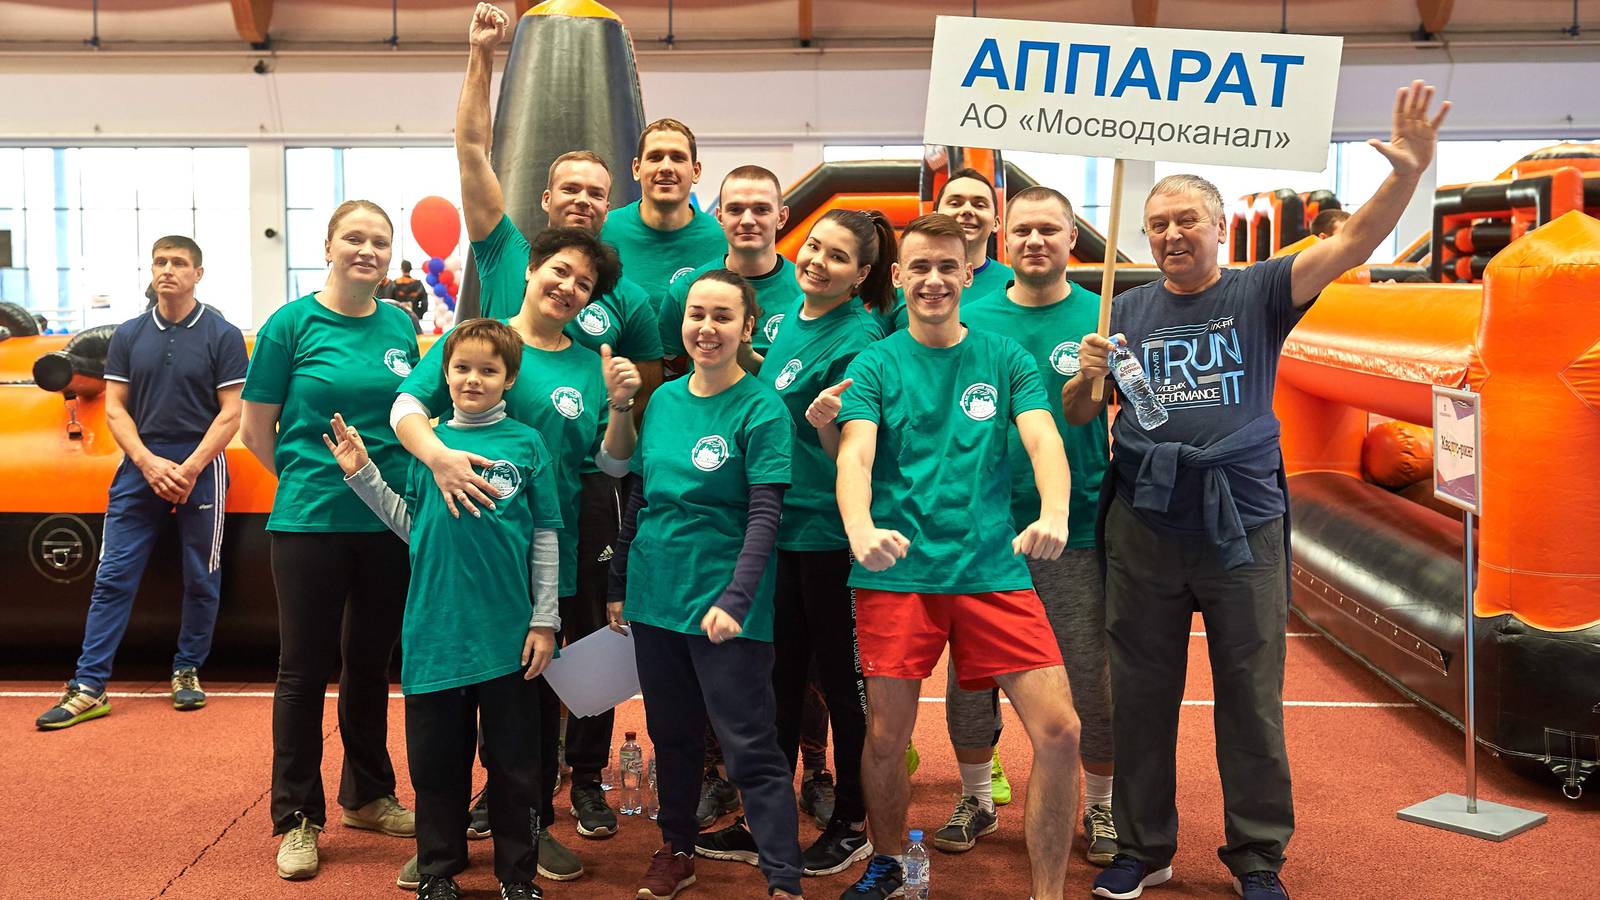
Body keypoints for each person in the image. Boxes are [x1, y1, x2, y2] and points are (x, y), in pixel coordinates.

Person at [1071, 81, 1449, 900]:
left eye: (1187, 220)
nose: (1172, 234)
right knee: (1139, 694)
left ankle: (1256, 856)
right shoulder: (1121, 309)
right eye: (1158, 224)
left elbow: (1353, 242)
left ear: (1218, 227)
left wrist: (1408, 174)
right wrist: (1086, 375)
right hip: (1144, 521)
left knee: (1250, 695)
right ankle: (1142, 845)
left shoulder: (1262, 292)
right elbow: (1081, 413)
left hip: (1242, 522)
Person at [452, 1, 662, 861]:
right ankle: (508, 788)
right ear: (544, 198)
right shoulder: (508, 255)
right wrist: (481, 55)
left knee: (593, 646)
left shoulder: (626, 300)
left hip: (590, 498)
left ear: (613, 204)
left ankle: (585, 777)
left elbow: (636, 416)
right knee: (514, 646)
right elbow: (471, 149)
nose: (581, 199)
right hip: (504, 500)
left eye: (595, 191)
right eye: (569, 188)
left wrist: (624, 413)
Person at [822, 213, 1082, 900]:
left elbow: (1044, 439)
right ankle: (888, 864)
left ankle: (1049, 893)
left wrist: (1054, 512)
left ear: (969, 274)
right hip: (897, 574)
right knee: (886, 737)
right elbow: (854, 454)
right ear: (898, 276)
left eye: (947, 266)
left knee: (1060, 730)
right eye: (920, 267)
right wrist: (859, 527)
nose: (933, 279)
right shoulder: (875, 362)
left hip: (991, 569)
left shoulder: (1005, 357)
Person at [390, 226, 637, 887]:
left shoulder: (588, 363)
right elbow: (406, 407)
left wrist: (620, 405)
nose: (568, 287)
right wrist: (439, 457)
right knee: (451, 711)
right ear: (531, 269)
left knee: (530, 706)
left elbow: (613, 462)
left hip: (549, 546)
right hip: (464, 551)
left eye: (584, 283)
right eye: (560, 270)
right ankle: (444, 843)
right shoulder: (479, 340)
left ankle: (531, 832)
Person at [324, 318, 564, 900]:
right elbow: (416, 529)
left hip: (508, 636)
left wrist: (545, 619)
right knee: (436, 765)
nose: (473, 379)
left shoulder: (527, 445)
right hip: (435, 633)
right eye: (461, 368)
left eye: (488, 370)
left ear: (509, 378)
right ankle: (438, 870)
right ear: (445, 375)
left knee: (515, 766)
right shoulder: (426, 449)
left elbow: (545, 537)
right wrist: (363, 476)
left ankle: (517, 875)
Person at [693, 209, 893, 879]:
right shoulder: (788, 321)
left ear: (861, 275)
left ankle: (853, 824)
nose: (816, 261)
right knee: (778, 683)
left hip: (831, 536)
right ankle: (765, 818)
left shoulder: (860, 337)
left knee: (842, 688)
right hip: (783, 531)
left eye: (837, 257)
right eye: (813, 247)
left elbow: (858, 447)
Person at [607, 270, 803, 900]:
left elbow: (765, 515)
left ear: (748, 327)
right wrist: (618, 582)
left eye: (723, 316)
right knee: (672, 736)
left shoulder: (762, 408)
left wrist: (737, 598)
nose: (707, 328)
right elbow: (639, 497)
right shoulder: (664, 400)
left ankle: (783, 876)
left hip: (726, 604)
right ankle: (677, 849)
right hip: (654, 595)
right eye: (697, 314)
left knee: (749, 746)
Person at [241, 199, 420, 881]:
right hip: (309, 524)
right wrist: (306, 479)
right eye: (354, 238)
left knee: (370, 666)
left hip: (387, 523)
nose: (367, 250)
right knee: (303, 671)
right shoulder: (290, 324)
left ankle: (368, 797)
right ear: (328, 246)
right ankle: (297, 816)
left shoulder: (400, 323)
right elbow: (255, 430)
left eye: (379, 241)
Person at [956, 186, 1118, 866]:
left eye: (1049, 229)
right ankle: (975, 797)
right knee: (972, 674)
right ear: (1004, 237)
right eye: (1023, 229)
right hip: (982, 529)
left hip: (1075, 527)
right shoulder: (969, 317)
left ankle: (1102, 805)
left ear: (1072, 238)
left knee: (1089, 674)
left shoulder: (1101, 316)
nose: (1035, 241)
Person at [34, 236, 246, 730]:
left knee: (202, 575)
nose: (167, 270)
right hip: (140, 462)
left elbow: (231, 413)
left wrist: (189, 468)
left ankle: (186, 669)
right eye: (160, 262)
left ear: (198, 273)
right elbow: (114, 408)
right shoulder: (129, 334)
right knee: (113, 576)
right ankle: (89, 686)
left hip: (201, 466)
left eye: (179, 263)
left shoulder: (222, 335)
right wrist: (148, 463)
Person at [657, 166, 801, 373]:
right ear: (719, 217)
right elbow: (671, 373)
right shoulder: (686, 289)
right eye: (735, 210)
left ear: (782, 217)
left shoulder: (806, 291)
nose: (748, 221)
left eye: (761, 209)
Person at [599, 117, 727, 308]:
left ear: (696, 171)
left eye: (678, 157)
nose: (666, 167)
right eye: (655, 157)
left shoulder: (723, 240)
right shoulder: (604, 231)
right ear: (636, 169)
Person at [878, 167, 1012, 335]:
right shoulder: (900, 283)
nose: (967, 210)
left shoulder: (1015, 283)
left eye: (979, 205)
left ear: (996, 223)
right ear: (935, 214)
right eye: (955, 203)